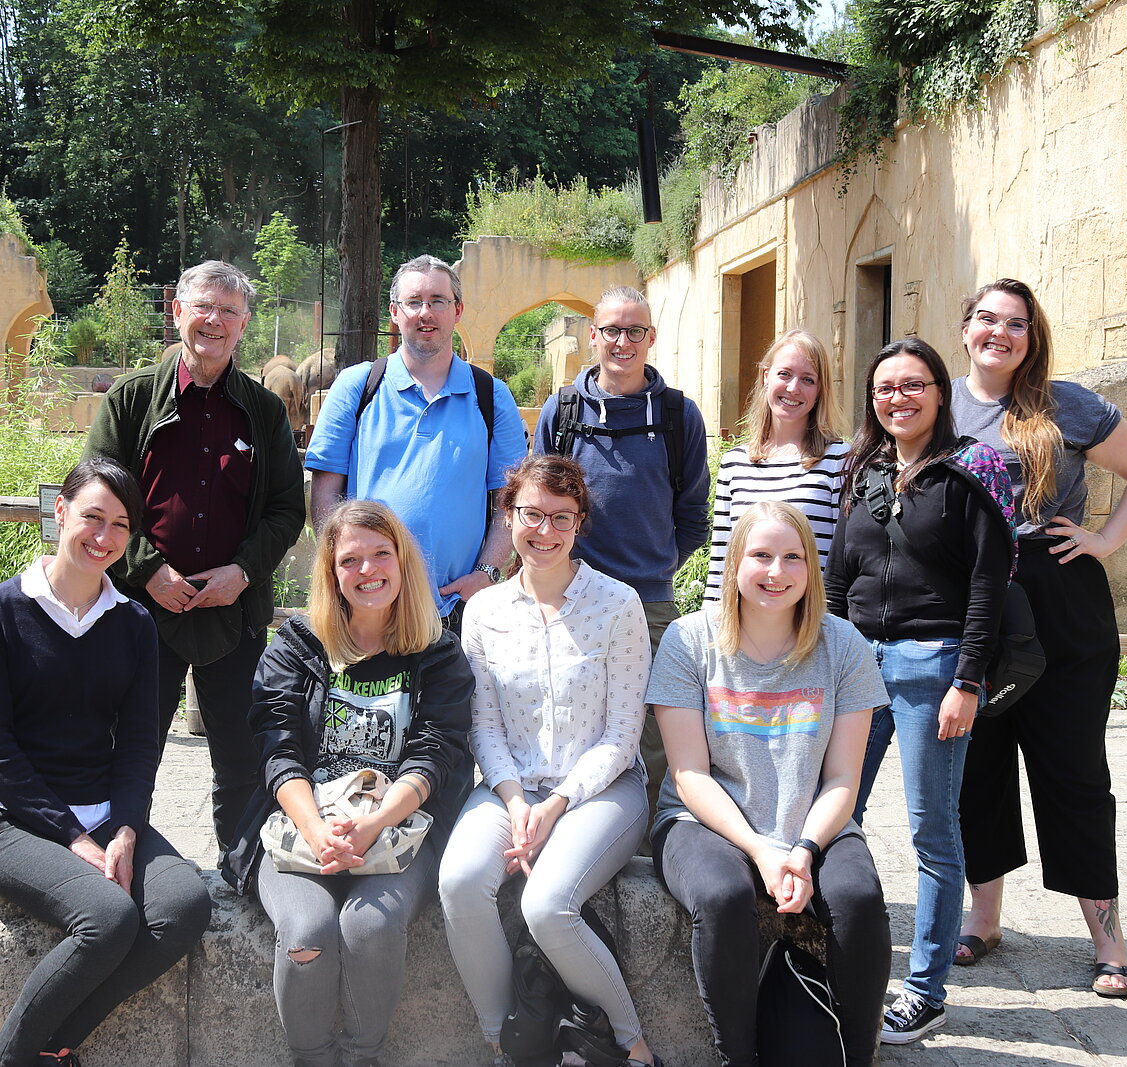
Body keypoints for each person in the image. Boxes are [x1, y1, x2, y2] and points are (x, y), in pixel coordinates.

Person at [951, 278, 1127, 998]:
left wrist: (1105, 538)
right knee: (974, 764)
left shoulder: (1065, 403)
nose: (1000, 333)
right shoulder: (937, 401)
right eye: (987, 319)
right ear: (965, 329)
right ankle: (983, 919)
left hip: (1058, 597)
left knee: (1073, 769)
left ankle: (1109, 936)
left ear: (1031, 336)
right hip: (969, 599)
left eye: (1016, 323)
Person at [0, 458, 212, 1067]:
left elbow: (136, 744)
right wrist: (73, 835)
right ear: (60, 513)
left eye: (121, 526)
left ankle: (53, 1046)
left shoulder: (132, 623)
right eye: (92, 518)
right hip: (10, 817)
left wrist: (125, 826)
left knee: (185, 905)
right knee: (107, 916)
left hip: (103, 811)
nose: (104, 538)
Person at [222, 500, 475, 1067]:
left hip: (399, 827)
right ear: (331, 573)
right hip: (298, 822)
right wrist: (316, 830)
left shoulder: (437, 655)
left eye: (381, 554)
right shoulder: (297, 647)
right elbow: (277, 749)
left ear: (403, 563)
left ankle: (364, 1057)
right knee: (309, 929)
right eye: (350, 560)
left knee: (369, 925)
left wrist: (372, 824)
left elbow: (435, 755)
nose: (368, 571)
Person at [649, 500, 891, 1067]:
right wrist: (760, 848)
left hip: (814, 820)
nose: (776, 572)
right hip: (701, 820)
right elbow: (688, 775)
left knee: (858, 899)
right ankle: (738, 1056)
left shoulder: (844, 647)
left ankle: (857, 1057)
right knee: (723, 896)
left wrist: (804, 850)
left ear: (812, 568)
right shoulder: (689, 642)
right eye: (760, 556)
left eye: (792, 558)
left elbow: (841, 779)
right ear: (735, 564)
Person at [824, 337, 1015, 1044]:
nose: (897, 398)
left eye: (912, 385)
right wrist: (830, 662)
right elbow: (840, 574)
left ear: (940, 390)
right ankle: (838, 961)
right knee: (835, 814)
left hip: (932, 668)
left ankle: (926, 989)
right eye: (884, 388)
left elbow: (988, 585)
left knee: (933, 831)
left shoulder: (974, 469)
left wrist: (968, 679)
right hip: (858, 667)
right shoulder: (864, 467)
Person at [439, 455, 659, 1067]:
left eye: (561, 517)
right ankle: (507, 1042)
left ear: (580, 522)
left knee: (547, 905)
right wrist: (514, 800)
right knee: (459, 882)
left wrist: (558, 805)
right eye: (531, 513)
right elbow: (481, 724)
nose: (545, 530)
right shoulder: (484, 612)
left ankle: (630, 1041)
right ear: (508, 516)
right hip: (511, 785)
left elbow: (622, 734)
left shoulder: (618, 606)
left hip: (602, 790)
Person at [85, 260, 306, 859]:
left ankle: (244, 873)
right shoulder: (131, 401)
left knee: (241, 756)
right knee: (129, 754)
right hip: (140, 614)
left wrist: (244, 572)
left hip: (232, 615)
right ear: (177, 311)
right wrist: (146, 570)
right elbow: (93, 498)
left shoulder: (262, 412)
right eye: (203, 307)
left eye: (229, 312)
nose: (214, 321)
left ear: (244, 325)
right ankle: (120, 866)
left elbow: (288, 508)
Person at [533, 285, 708, 815]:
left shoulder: (679, 416)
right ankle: (577, 830)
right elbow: (538, 502)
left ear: (651, 337)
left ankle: (655, 842)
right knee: (572, 720)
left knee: (657, 730)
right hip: (572, 598)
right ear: (593, 336)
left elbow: (692, 517)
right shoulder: (562, 411)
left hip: (649, 601)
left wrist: (651, 569)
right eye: (611, 329)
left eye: (635, 331)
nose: (623, 341)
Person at [306, 254, 529, 630]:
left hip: (457, 608)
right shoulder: (357, 386)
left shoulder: (491, 395)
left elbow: (512, 500)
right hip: (369, 606)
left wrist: (487, 574)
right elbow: (326, 494)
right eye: (414, 302)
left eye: (438, 301)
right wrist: (343, 573)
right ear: (394, 312)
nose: (425, 312)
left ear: (457, 310)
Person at [704, 327, 847, 595]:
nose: (793, 388)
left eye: (808, 380)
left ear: (820, 390)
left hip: (813, 623)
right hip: (747, 626)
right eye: (785, 374)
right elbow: (723, 558)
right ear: (765, 376)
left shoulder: (839, 459)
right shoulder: (734, 463)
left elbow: (844, 560)